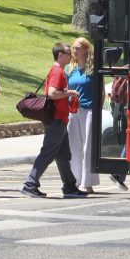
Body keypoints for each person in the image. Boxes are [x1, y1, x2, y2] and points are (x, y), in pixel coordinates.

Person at [21, 43, 88, 199]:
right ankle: (30, 184)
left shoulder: (58, 71)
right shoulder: (58, 71)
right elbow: (52, 93)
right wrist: (69, 93)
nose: (71, 55)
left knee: (63, 155)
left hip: (60, 119)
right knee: (48, 152)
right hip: (56, 119)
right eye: (68, 53)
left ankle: (69, 186)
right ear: (60, 55)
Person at [66, 37, 101, 193]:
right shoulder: (70, 69)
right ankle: (76, 180)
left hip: (89, 110)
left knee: (88, 148)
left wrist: (98, 110)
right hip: (73, 111)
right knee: (74, 147)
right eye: (74, 48)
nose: (75, 50)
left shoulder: (93, 69)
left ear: (86, 49)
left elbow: (100, 91)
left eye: (78, 47)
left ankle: (88, 183)